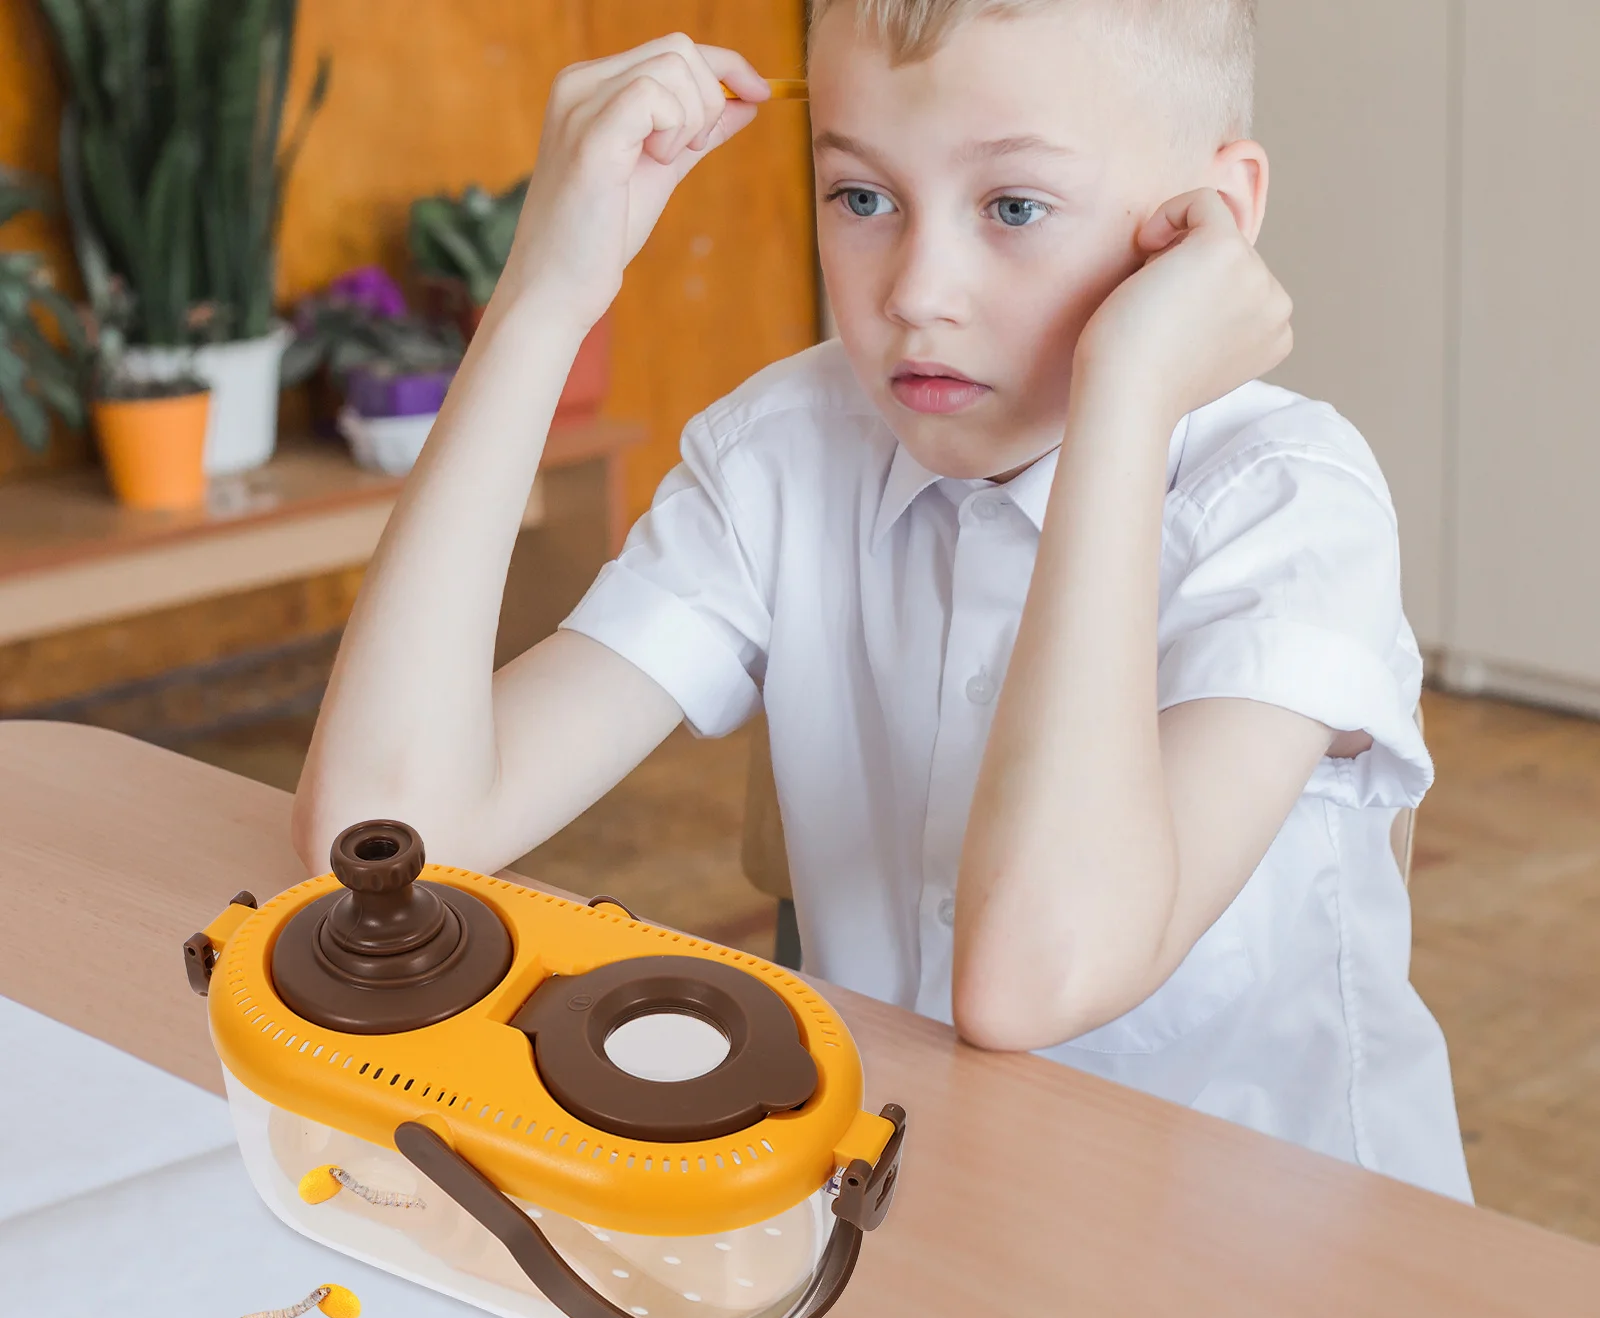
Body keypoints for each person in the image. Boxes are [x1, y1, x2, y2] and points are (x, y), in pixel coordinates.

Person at [293, 0, 1473, 1202]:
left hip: (1280, 1273)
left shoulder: (1289, 506)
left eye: (1013, 208)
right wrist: (547, 290)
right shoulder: (786, 451)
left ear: (1213, 216)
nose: (917, 291)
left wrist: (1129, 395)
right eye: (861, 198)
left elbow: (1032, 981)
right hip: (933, 1216)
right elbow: (381, 835)